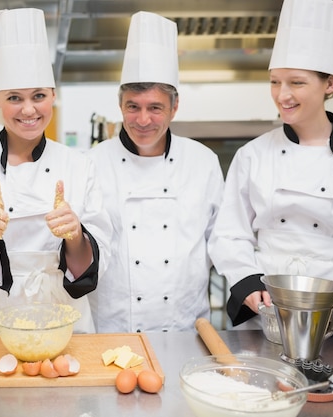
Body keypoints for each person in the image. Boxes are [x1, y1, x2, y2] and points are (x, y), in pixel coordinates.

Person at [0, 8, 112, 335]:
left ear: (53, 97)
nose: (28, 110)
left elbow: (98, 259)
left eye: (39, 96)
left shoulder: (78, 164)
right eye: (15, 98)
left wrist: (75, 236)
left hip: (66, 319)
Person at [208, 0, 333, 328]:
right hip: (266, 309)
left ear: (330, 84)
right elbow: (230, 233)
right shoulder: (252, 155)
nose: (282, 94)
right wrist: (247, 282)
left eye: (296, 82)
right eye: (274, 81)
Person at [87, 11, 224, 333]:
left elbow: (223, 238)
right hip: (112, 328)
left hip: (185, 326)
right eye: (133, 106)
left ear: (174, 107)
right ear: (120, 106)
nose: (143, 120)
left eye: (155, 107)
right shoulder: (91, 163)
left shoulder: (202, 162)